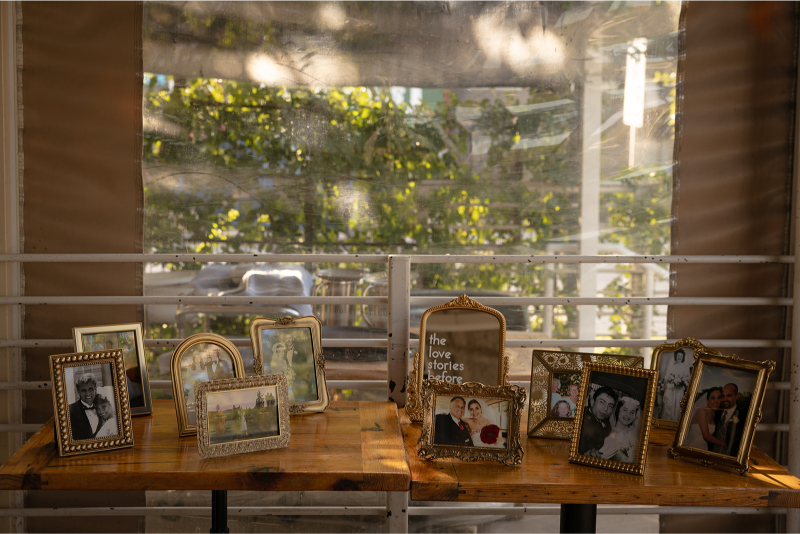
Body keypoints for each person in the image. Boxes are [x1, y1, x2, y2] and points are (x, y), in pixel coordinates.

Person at [597, 395, 641, 463]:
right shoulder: (606, 430)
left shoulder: (636, 435)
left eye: (632, 412)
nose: (628, 415)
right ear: (618, 410)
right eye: (625, 410)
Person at [578, 386, 617, 457]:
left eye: (610, 406)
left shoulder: (608, 423)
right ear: (592, 401)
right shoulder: (580, 418)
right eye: (602, 402)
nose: (605, 409)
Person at [712, 382, 748, 456]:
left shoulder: (743, 416)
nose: (724, 399)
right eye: (723, 396)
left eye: (729, 395)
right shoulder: (717, 413)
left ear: (736, 396)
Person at [660, 349, 691, 421]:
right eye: (678, 356)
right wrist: (672, 380)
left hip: (679, 389)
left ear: (683, 357)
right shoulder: (672, 366)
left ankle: (676, 420)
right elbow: (668, 377)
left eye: (681, 356)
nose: (679, 357)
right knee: (670, 404)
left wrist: (681, 381)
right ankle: (669, 420)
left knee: (677, 403)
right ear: (676, 356)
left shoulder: (685, 366)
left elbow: (687, 378)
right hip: (671, 388)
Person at [68, 374, 100, 440]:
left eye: (90, 389)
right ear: (78, 392)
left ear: (95, 389)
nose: (88, 393)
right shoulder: (69, 411)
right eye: (83, 390)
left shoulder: (102, 406)